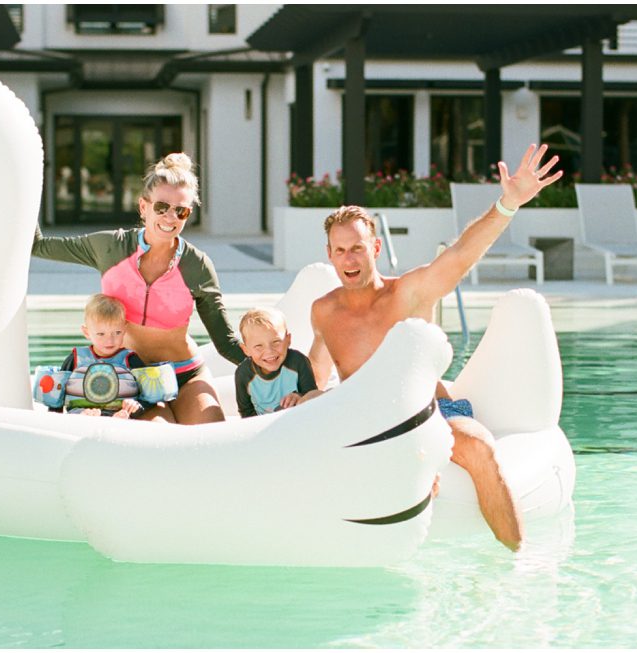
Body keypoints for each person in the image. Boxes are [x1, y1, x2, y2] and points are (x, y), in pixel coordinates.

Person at [308, 143, 563, 551]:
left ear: (374, 248)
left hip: (429, 411)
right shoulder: (323, 311)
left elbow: (462, 254)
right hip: (365, 418)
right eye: (340, 250)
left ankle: (520, 564)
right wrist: (307, 395)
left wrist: (508, 204)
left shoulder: (408, 294)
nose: (348, 258)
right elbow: (318, 368)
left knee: (479, 447)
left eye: (357, 247)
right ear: (329, 255)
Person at [32, 153, 244, 424]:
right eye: (161, 207)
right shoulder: (110, 248)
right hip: (131, 380)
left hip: (186, 373)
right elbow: (38, 246)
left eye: (181, 210)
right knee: (155, 434)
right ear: (143, 207)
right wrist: (26, 177)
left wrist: (276, 365)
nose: (170, 217)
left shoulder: (197, 265)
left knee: (211, 432)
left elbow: (225, 342)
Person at [56, 293, 146, 419]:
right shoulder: (76, 358)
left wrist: (136, 405)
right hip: (79, 413)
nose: (110, 340)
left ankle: (117, 417)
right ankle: (85, 416)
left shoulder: (130, 359)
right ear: (86, 332)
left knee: (130, 410)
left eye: (117, 332)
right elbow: (57, 391)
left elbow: (148, 395)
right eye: (101, 334)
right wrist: (55, 416)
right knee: (79, 415)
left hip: (120, 412)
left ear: (125, 328)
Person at [234, 307, 322, 417]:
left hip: (296, 417)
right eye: (258, 346)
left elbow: (312, 395)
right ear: (246, 350)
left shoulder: (298, 362)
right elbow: (245, 411)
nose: (269, 351)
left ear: (288, 340)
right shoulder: (244, 373)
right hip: (264, 425)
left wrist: (299, 396)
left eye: (276, 342)